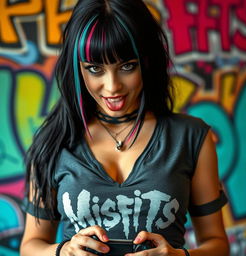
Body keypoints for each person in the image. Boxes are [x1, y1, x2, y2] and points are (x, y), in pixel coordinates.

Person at [20, 0, 230, 255]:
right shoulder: (53, 142)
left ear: (148, 62)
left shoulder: (191, 138)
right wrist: (63, 251)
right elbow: (30, 247)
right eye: (95, 69)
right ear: (77, 68)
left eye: (127, 66)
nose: (112, 87)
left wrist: (178, 255)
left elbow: (218, 245)